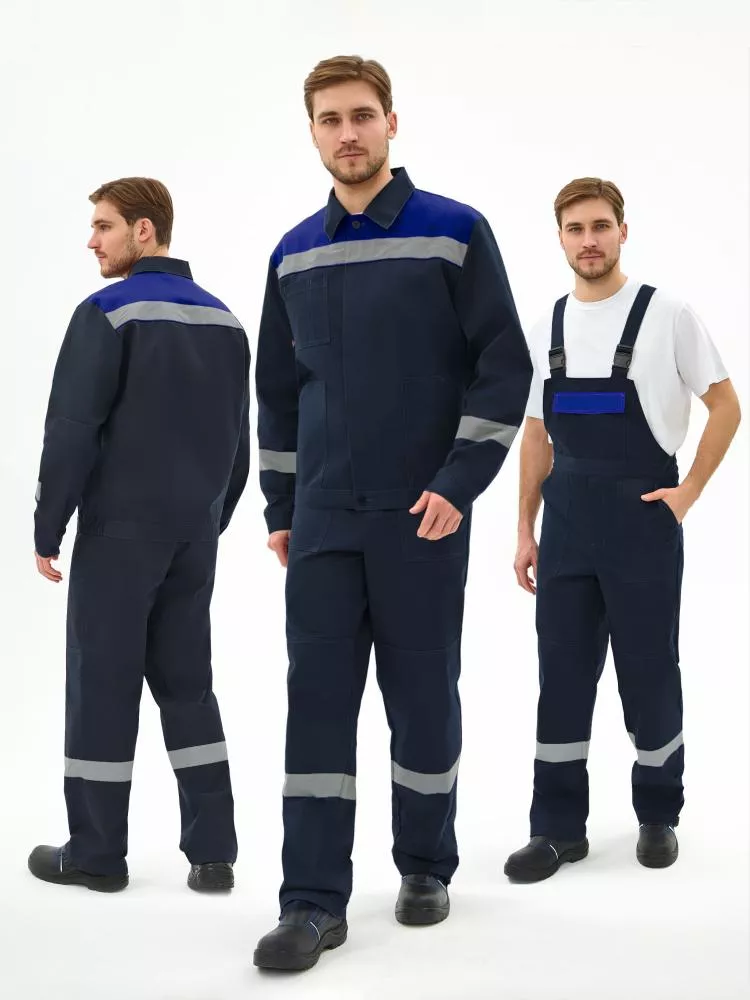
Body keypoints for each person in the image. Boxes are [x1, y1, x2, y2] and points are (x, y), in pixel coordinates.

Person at [253, 55, 532, 972]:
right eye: (330, 119)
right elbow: (278, 392)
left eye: (362, 115)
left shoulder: (455, 232)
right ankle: (310, 902)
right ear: (312, 132)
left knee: (422, 699)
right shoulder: (292, 252)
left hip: (422, 516)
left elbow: (503, 366)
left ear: (391, 123)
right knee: (316, 707)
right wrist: (282, 505)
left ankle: (424, 866)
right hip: (324, 520)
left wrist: (458, 484)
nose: (348, 133)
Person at [505, 177, 741, 883]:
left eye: (600, 226)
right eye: (575, 229)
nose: (589, 241)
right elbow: (537, 434)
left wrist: (688, 493)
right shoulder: (547, 325)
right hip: (568, 522)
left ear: (623, 231)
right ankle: (556, 830)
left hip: (643, 516)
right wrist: (525, 528)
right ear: (560, 238)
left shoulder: (667, 314)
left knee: (648, 669)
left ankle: (658, 815)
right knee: (561, 674)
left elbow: (727, 405)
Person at [29, 177, 250, 894]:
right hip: (193, 536)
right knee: (189, 688)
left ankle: (96, 855)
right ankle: (212, 855)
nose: (92, 241)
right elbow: (239, 444)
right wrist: (208, 521)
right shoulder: (225, 321)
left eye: (104, 226)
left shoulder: (107, 312)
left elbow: (71, 429)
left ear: (144, 230)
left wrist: (49, 524)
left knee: (103, 687)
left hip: (120, 535)